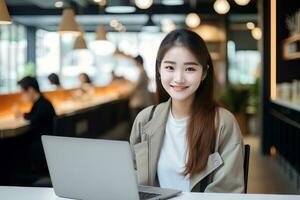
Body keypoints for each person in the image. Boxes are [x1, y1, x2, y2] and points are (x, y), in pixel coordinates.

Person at [130, 29, 244, 193]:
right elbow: (132, 180)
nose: (179, 78)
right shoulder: (145, 119)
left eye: (190, 69)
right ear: (159, 70)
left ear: (204, 72)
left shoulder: (223, 122)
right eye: (170, 67)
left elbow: (228, 190)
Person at [16, 76, 56, 175]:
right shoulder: (42, 102)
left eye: (22, 93)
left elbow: (35, 118)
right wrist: (23, 115)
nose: (22, 96)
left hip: (41, 146)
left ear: (30, 90)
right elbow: (33, 115)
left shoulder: (42, 104)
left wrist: (23, 115)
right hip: (44, 143)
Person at [129, 55, 153, 123]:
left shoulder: (142, 73)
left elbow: (135, 88)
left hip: (139, 102)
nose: (133, 63)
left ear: (137, 62)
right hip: (143, 101)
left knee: (137, 123)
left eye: (134, 62)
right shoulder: (143, 72)